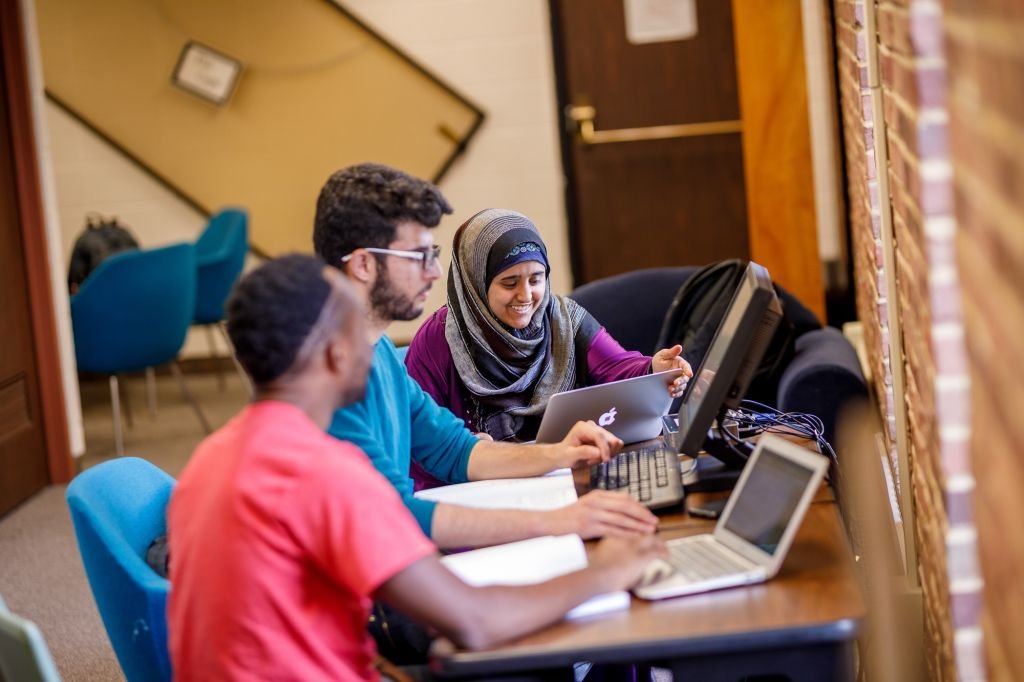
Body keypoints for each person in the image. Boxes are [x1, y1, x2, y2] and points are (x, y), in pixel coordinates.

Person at [167, 254, 665, 681]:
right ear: (338, 352)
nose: (377, 346)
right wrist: (607, 571)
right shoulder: (325, 472)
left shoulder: (214, 455)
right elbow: (473, 621)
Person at [314, 163, 658, 550]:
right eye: (418, 256)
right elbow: (392, 520)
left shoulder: (378, 352)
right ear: (363, 264)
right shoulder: (327, 380)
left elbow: (455, 450)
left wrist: (559, 453)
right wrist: (557, 522)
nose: (434, 273)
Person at [405, 208, 691, 462]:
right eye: (509, 282)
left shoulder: (564, 319)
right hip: (477, 488)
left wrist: (656, 369)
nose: (526, 295)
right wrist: (465, 448)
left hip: (562, 474)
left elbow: (615, 367)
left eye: (536, 279)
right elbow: (414, 434)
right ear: (475, 283)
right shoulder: (437, 341)